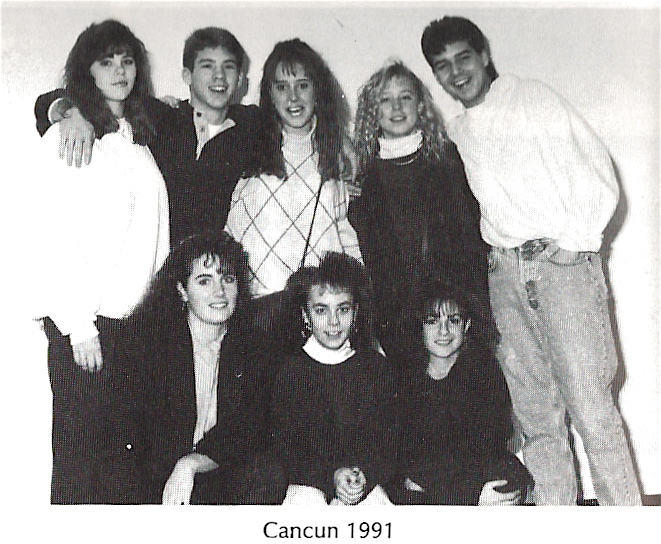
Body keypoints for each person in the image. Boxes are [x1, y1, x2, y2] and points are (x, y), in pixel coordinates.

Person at [421, 15, 641, 505]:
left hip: (560, 272)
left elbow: (594, 164)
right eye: (443, 66)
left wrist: (577, 240)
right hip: (504, 275)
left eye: (463, 58)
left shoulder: (531, 99)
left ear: (484, 55)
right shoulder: (458, 131)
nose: (456, 73)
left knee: (593, 414)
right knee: (537, 420)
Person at [31, 19, 170, 503]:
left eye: (127, 60)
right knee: (81, 480)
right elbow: (53, 236)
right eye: (106, 61)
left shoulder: (136, 137)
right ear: (86, 71)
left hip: (132, 334)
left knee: (125, 482)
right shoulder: (71, 136)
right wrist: (78, 326)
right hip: (88, 334)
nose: (119, 70)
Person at [34, 26, 264, 245]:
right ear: (187, 75)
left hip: (209, 265)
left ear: (240, 79)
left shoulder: (251, 126)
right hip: (152, 261)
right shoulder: (158, 115)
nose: (219, 76)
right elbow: (49, 101)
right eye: (207, 66)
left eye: (228, 67)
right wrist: (71, 112)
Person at [126, 231, 286, 504]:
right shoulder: (151, 346)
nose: (219, 292)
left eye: (228, 279)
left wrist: (191, 464)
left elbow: (247, 427)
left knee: (267, 472)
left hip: (215, 470)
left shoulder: (256, 347)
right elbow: (140, 438)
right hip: (159, 478)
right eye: (204, 281)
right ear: (182, 290)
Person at [350, 60, 487, 365]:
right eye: (385, 100)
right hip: (395, 321)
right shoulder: (363, 176)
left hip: (449, 315)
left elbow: (470, 241)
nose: (397, 107)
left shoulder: (446, 160)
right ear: (372, 110)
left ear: (420, 105)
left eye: (406, 97)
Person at [224, 39, 362, 342]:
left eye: (303, 85)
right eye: (282, 87)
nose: (293, 97)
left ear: (318, 90)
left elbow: (345, 235)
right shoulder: (245, 144)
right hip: (259, 315)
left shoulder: (335, 156)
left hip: (320, 318)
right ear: (269, 93)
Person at [388, 280, 533, 505]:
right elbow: (404, 450)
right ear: (420, 327)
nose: (444, 331)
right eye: (432, 321)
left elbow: (488, 444)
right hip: (426, 479)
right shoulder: (405, 377)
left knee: (501, 491)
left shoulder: (483, 371)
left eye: (453, 320)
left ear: (466, 326)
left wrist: (469, 493)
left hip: (474, 474)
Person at [270, 252, 398, 505]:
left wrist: (364, 474)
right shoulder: (290, 371)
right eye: (321, 310)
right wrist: (331, 475)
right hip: (308, 485)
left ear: (356, 311)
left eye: (343, 309)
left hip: (361, 485)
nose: (334, 322)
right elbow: (287, 447)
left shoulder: (376, 367)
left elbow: (387, 441)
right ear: (305, 315)